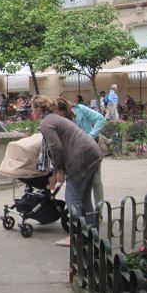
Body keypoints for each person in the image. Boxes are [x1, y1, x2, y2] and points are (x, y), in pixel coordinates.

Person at [31, 95, 103, 246]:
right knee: (84, 198)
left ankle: (76, 237)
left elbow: (56, 147)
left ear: (38, 110)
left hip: (81, 158)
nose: (31, 112)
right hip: (93, 153)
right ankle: (91, 232)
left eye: (32, 109)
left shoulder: (46, 122)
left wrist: (58, 170)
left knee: (72, 197)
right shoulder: (55, 119)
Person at [55, 97, 106, 209]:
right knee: (80, 181)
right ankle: (84, 209)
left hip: (91, 149)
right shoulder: (61, 120)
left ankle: (99, 211)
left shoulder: (80, 109)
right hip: (75, 153)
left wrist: (90, 136)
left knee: (96, 181)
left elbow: (101, 119)